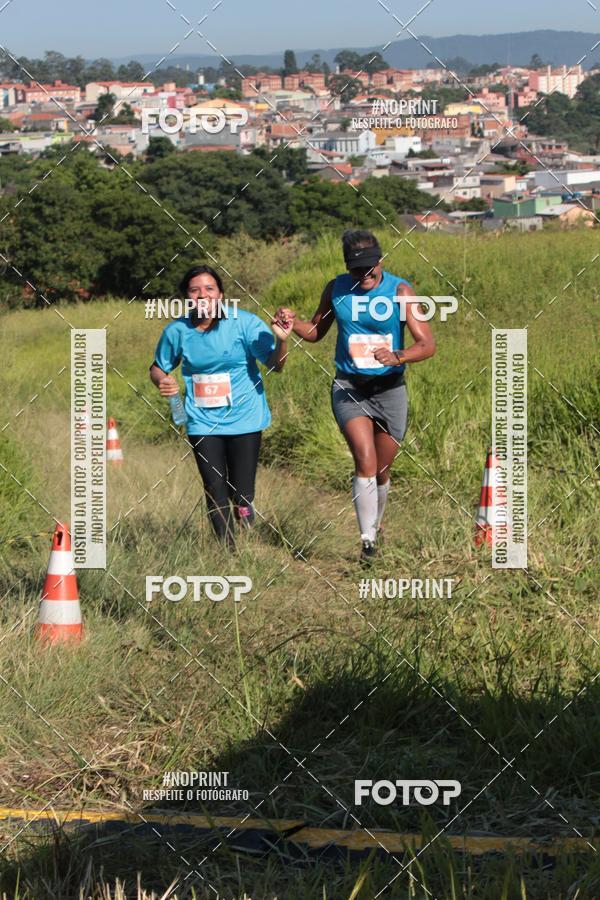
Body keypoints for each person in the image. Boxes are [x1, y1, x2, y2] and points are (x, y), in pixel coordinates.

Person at [276, 230, 436, 561]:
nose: (364, 275)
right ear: (347, 266)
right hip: (349, 387)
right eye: (356, 269)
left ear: (381, 261)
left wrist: (399, 356)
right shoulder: (336, 288)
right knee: (365, 460)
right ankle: (368, 544)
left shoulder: (401, 291)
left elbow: (427, 344)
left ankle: (376, 525)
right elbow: (316, 331)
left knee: (382, 469)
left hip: (390, 390)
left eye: (370, 268)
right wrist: (293, 324)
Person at [150, 264, 292, 548]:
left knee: (241, 493)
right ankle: (228, 552)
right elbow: (157, 367)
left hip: (245, 419)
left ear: (221, 294)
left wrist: (281, 340)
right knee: (214, 487)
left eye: (209, 288)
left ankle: (245, 513)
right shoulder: (177, 331)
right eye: (194, 290)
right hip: (202, 421)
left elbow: (275, 365)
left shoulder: (245, 324)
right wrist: (162, 381)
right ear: (187, 297)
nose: (202, 295)